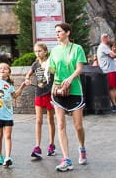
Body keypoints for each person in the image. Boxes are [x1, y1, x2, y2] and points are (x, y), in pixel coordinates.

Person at [48, 22, 87, 172]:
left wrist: (70, 78)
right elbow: (52, 69)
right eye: (56, 32)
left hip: (74, 90)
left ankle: (82, 147)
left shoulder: (77, 49)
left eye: (59, 31)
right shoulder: (54, 51)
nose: (57, 34)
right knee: (61, 125)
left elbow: (79, 68)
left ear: (68, 33)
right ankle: (67, 159)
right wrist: (46, 70)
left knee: (78, 126)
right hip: (58, 90)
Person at [0, 62, 29, 167]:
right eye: (0, 69)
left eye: (5, 68)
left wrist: (22, 85)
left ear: (9, 73)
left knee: (8, 136)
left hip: (8, 115)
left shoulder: (10, 85)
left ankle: (8, 157)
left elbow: (15, 95)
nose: (3, 70)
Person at [25, 41, 56, 159]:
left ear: (45, 51)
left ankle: (51, 144)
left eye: (40, 51)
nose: (37, 53)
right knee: (38, 120)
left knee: (50, 119)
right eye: (36, 51)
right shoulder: (35, 64)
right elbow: (28, 75)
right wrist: (27, 79)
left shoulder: (50, 62)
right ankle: (37, 146)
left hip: (49, 93)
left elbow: (55, 73)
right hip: (39, 93)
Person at [97, 34, 116, 112]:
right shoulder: (103, 46)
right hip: (108, 70)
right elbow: (113, 55)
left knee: (114, 88)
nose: (109, 39)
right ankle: (114, 105)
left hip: (111, 70)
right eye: (108, 38)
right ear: (104, 38)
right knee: (111, 88)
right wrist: (113, 54)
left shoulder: (105, 47)